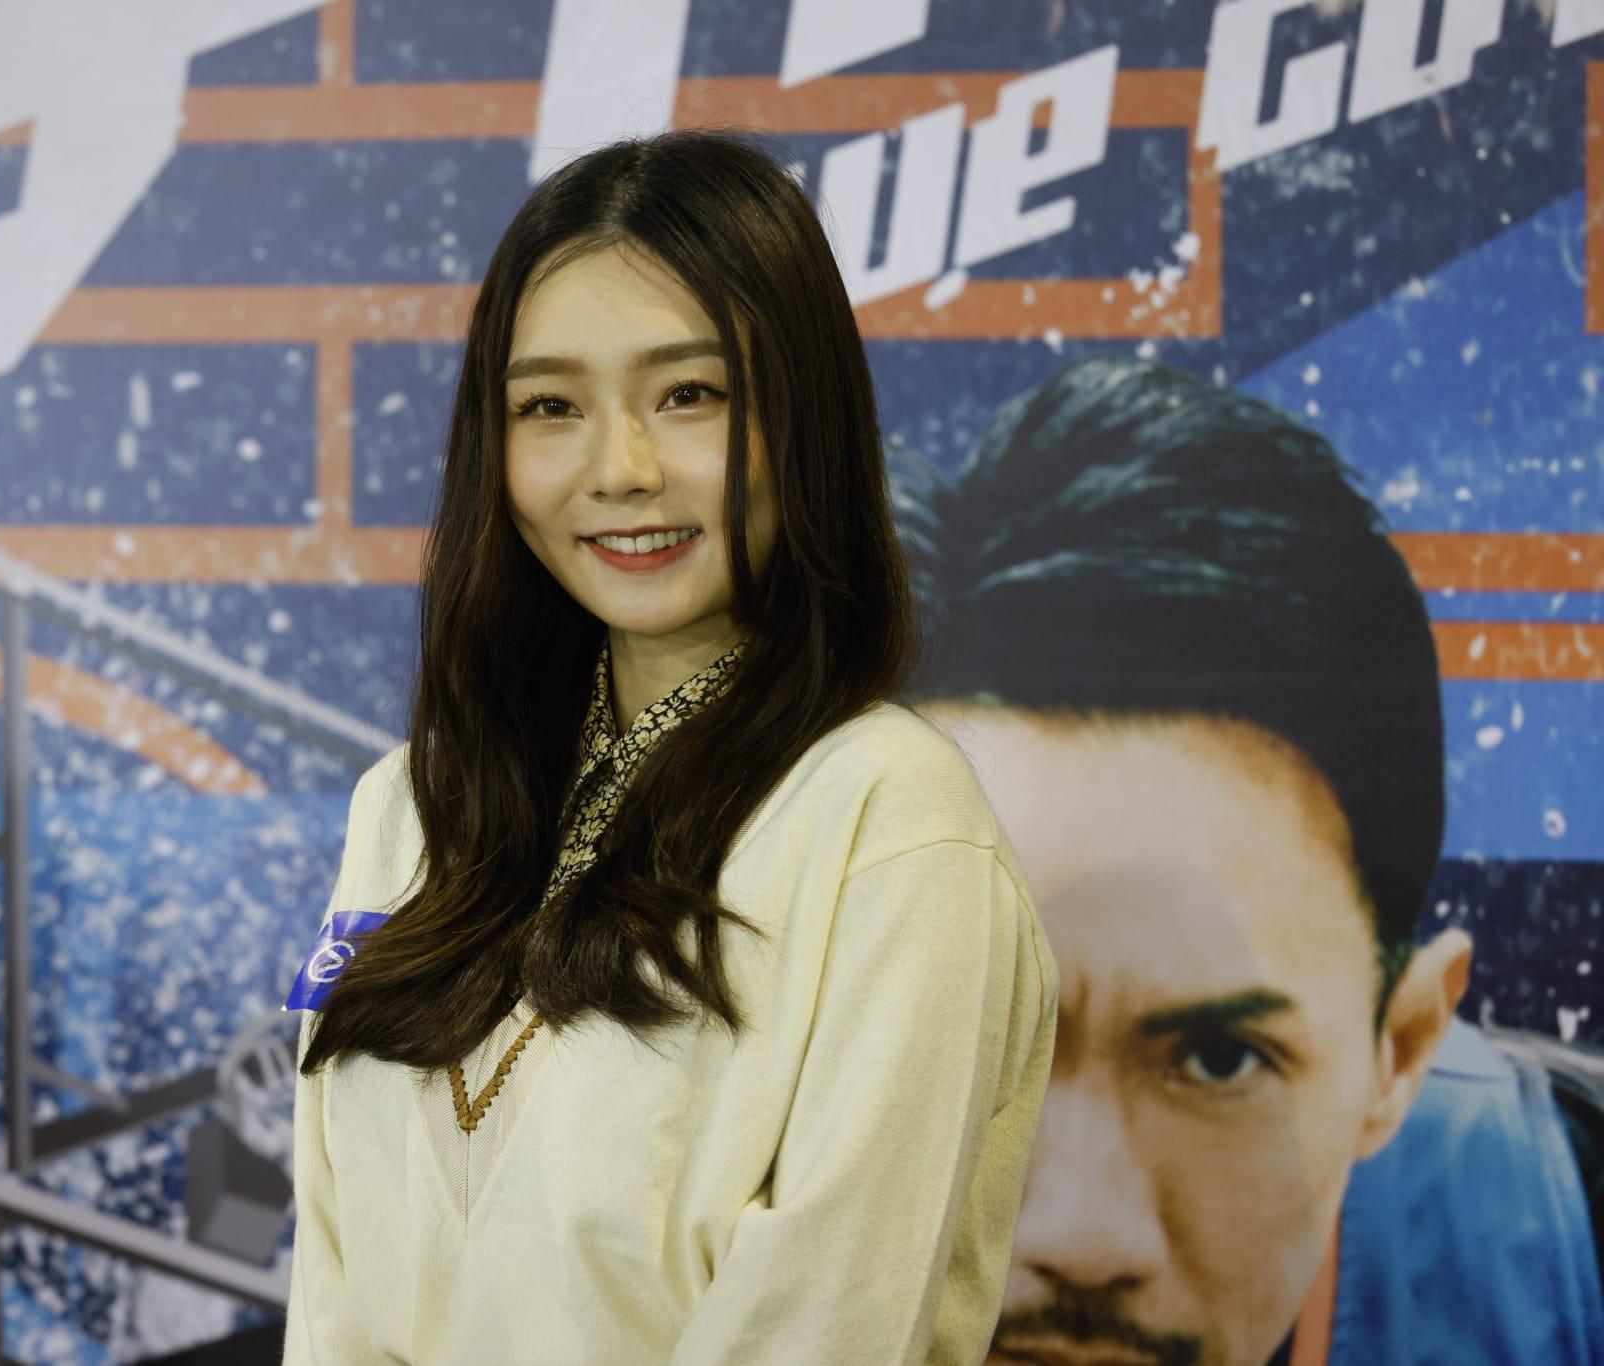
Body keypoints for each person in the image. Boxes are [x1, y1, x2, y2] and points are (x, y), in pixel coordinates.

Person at [279, 129, 1058, 1364]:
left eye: (687, 394)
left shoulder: (888, 818)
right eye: (549, 407)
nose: (620, 470)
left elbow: (825, 1326)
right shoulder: (408, 806)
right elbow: (331, 1298)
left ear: (802, 417)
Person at [895, 356, 1604, 1365]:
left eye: (1219, 1059)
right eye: (948, 1041)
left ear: (1398, 1052)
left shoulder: (1565, 1257)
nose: (1080, 1235)